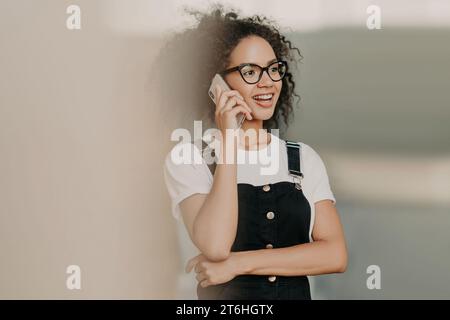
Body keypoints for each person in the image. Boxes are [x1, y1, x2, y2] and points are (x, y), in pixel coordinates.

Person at [161, 5, 347, 300]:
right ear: (215, 83)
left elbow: (335, 255)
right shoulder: (188, 158)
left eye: (273, 69)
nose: (268, 82)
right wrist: (230, 141)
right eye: (250, 71)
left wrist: (238, 263)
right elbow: (215, 246)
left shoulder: (302, 158)